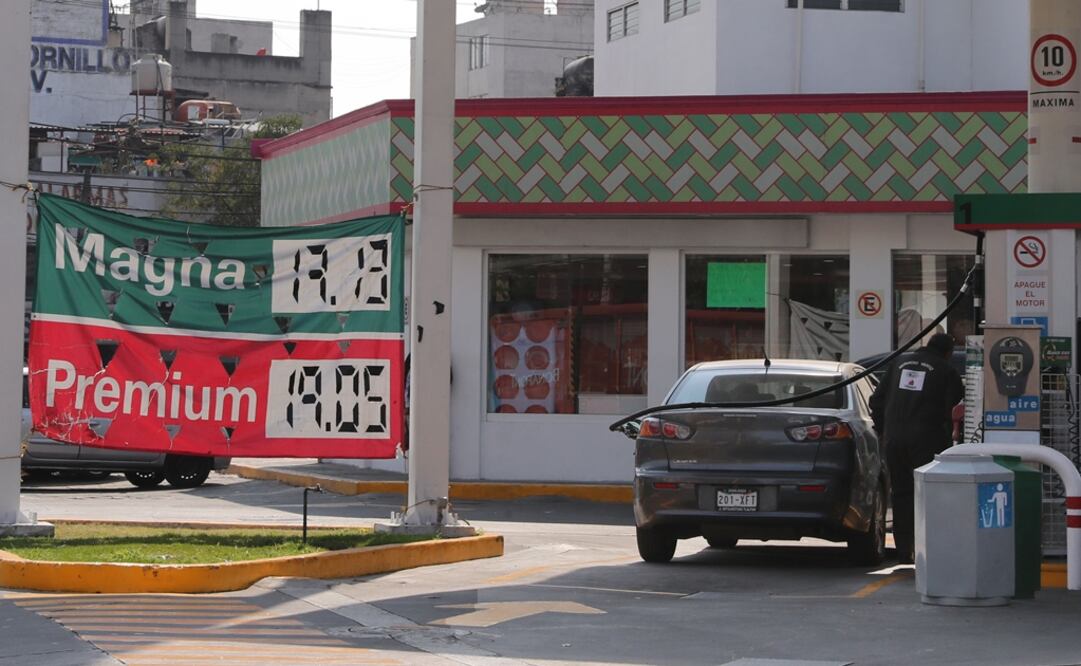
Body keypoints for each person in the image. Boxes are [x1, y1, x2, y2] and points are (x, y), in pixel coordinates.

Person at [869, 333, 964, 565]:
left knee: (901, 493)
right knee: (929, 494)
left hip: (894, 440)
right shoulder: (946, 370)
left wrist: (884, 431)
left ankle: (904, 551)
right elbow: (955, 403)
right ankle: (928, 550)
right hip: (928, 440)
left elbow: (875, 401)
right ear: (948, 352)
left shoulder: (898, 363)